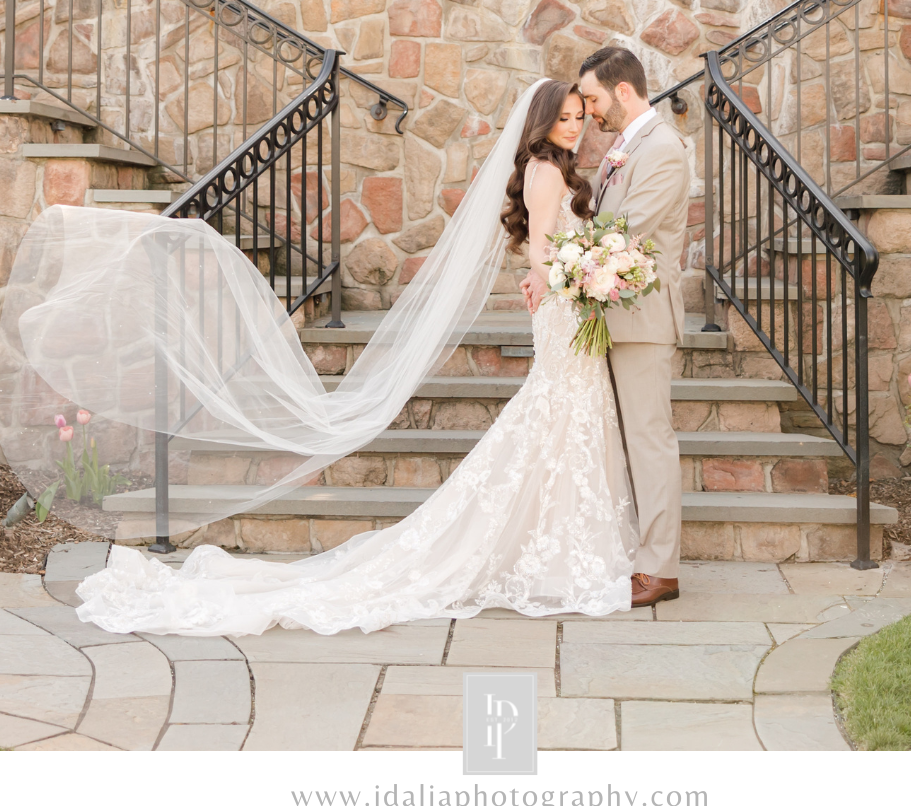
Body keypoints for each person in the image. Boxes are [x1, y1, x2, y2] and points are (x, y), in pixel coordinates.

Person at [71, 79, 637, 636]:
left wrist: (589, 268)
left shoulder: (558, 171)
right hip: (564, 308)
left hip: (572, 306)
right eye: (564, 117)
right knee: (559, 413)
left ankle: (562, 548)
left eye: (578, 117)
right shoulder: (542, 172)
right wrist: (573, 276)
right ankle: (550, 551)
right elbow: (541, 249)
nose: (575, 125)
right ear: (542, 122)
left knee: (567, 419)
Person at [525, 46, 690, 609]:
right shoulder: (625, 146)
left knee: (649, 440)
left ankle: (660, 569)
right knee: (619, 442)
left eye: (592, 99)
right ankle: (630, 554)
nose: (589, 113)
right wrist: (546, 272)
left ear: (623, 92)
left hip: (641, 319)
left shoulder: (663, 148)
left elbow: (625, 228)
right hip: (605, 310)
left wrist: (553, 268)